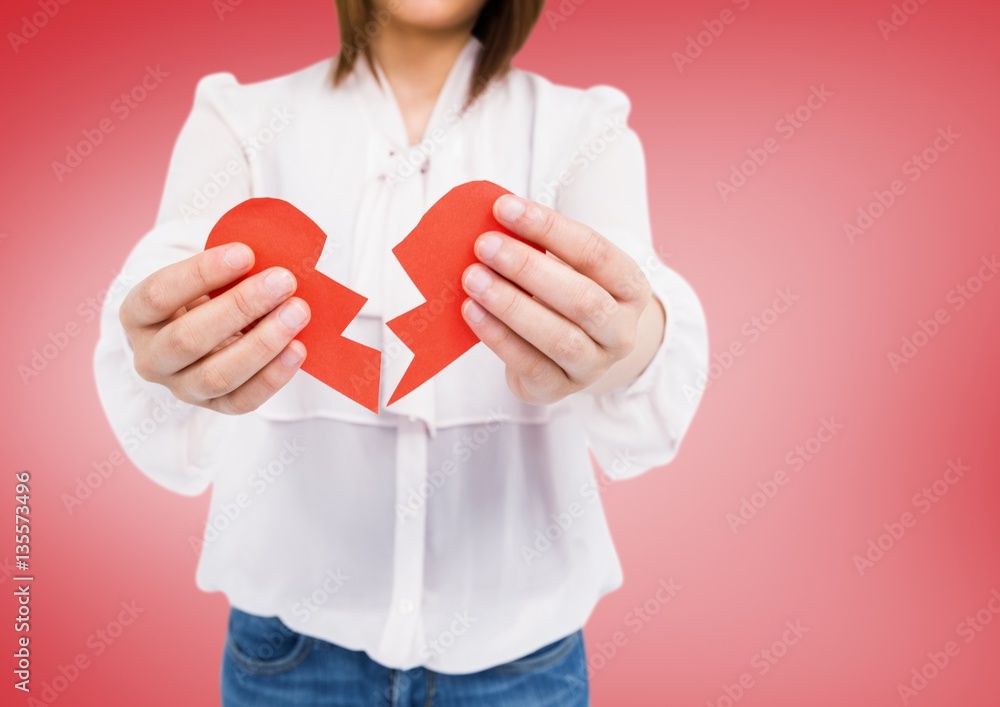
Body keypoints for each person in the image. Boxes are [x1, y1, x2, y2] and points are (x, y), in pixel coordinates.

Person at [93, 0, 709, 704]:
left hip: (524, 661)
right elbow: (165, 280)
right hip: (287, 658)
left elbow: (637, 307)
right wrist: (164, 341)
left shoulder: (584, 128)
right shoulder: (238, 119)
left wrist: (627, 343)